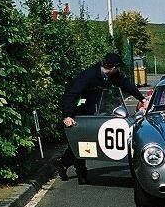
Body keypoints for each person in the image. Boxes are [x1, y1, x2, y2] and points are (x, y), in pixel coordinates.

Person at [56, 52, 146, 183]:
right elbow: (71, 94)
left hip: (97, 110)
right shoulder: (89, 75)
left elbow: (126, 84)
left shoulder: (112, 75)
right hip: (80, 112)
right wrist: (67, 115)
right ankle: (80, 172)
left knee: (91, 140)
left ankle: (64, 163)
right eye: (118, 67)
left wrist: (142, 98)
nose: (118, 70)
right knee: (82, 140)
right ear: (113, 67)